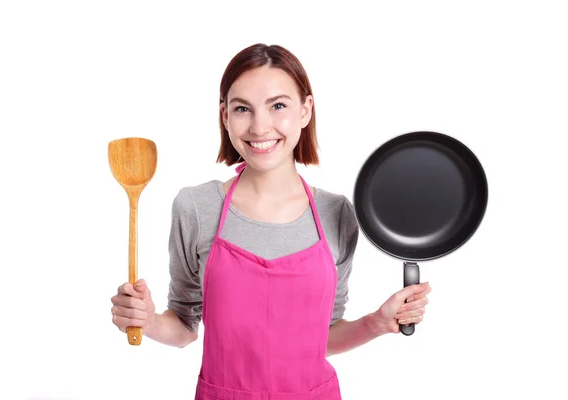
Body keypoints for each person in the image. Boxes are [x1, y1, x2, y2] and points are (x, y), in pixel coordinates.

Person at [110, 43, 431, 399]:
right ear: (225, 116)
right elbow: (185, 325)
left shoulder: (337, 214)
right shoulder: (196, 207)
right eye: (242, 109)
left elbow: (321, 338)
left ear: (306, 110)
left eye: (278, 106)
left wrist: (377, 323)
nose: (260, 127)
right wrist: (148, 320)